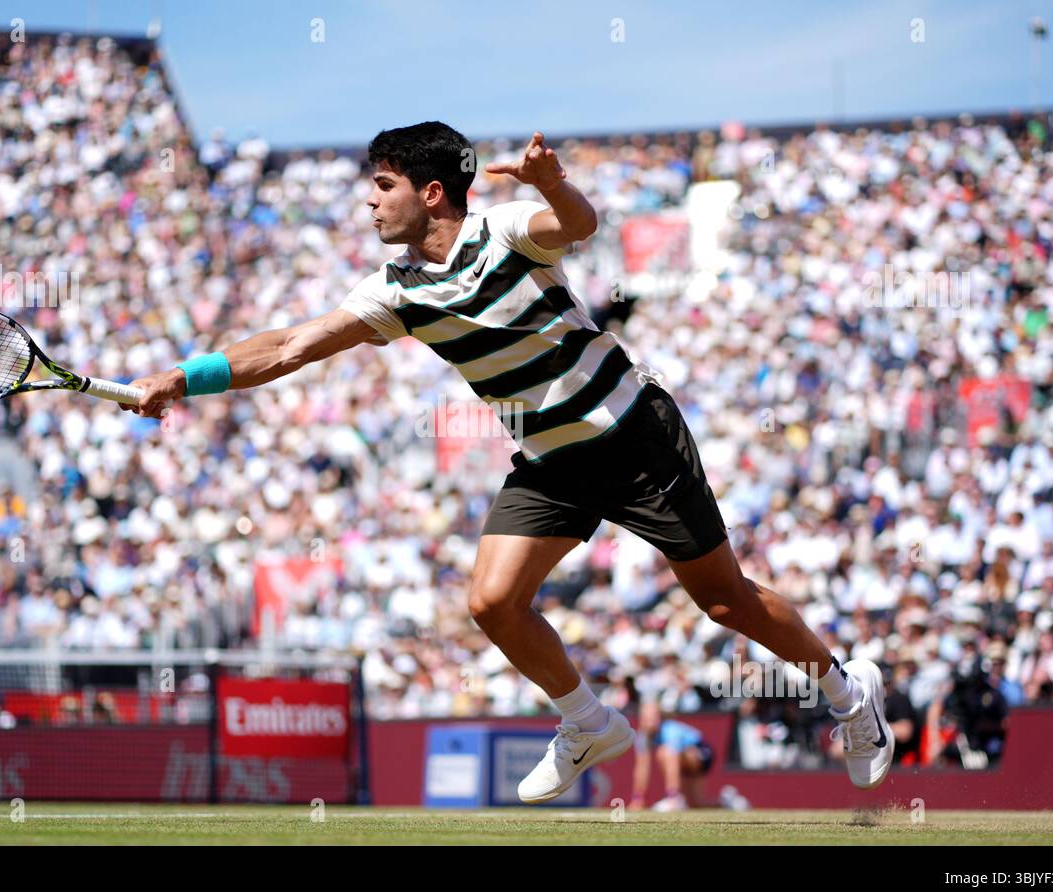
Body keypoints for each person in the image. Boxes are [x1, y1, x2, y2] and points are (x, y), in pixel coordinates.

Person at [122, 121, 894, 803]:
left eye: (382, 187)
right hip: (551, 461)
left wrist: (552, 179)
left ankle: (848, 694)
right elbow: (288, 345)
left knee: (724, 601)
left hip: (631, 435)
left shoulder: (506, 230)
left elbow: (577, 224)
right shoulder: (395, 290)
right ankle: (588, 723)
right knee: (492, 602)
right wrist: (183, 379)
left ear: (430, 193)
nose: (370, 203)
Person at [630, 698, 714, 811]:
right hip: (683, 761)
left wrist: (673, 794)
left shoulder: (670, 729)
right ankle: (727, 802)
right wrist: (638, 798)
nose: (650, 721)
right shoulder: (642, 736)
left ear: (660, 717)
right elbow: (642, 767)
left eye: (654, 717)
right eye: (646, 717)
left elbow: (672, 755)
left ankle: (673, 797)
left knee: (664, 752)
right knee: (696, 804)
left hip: (701, 753)